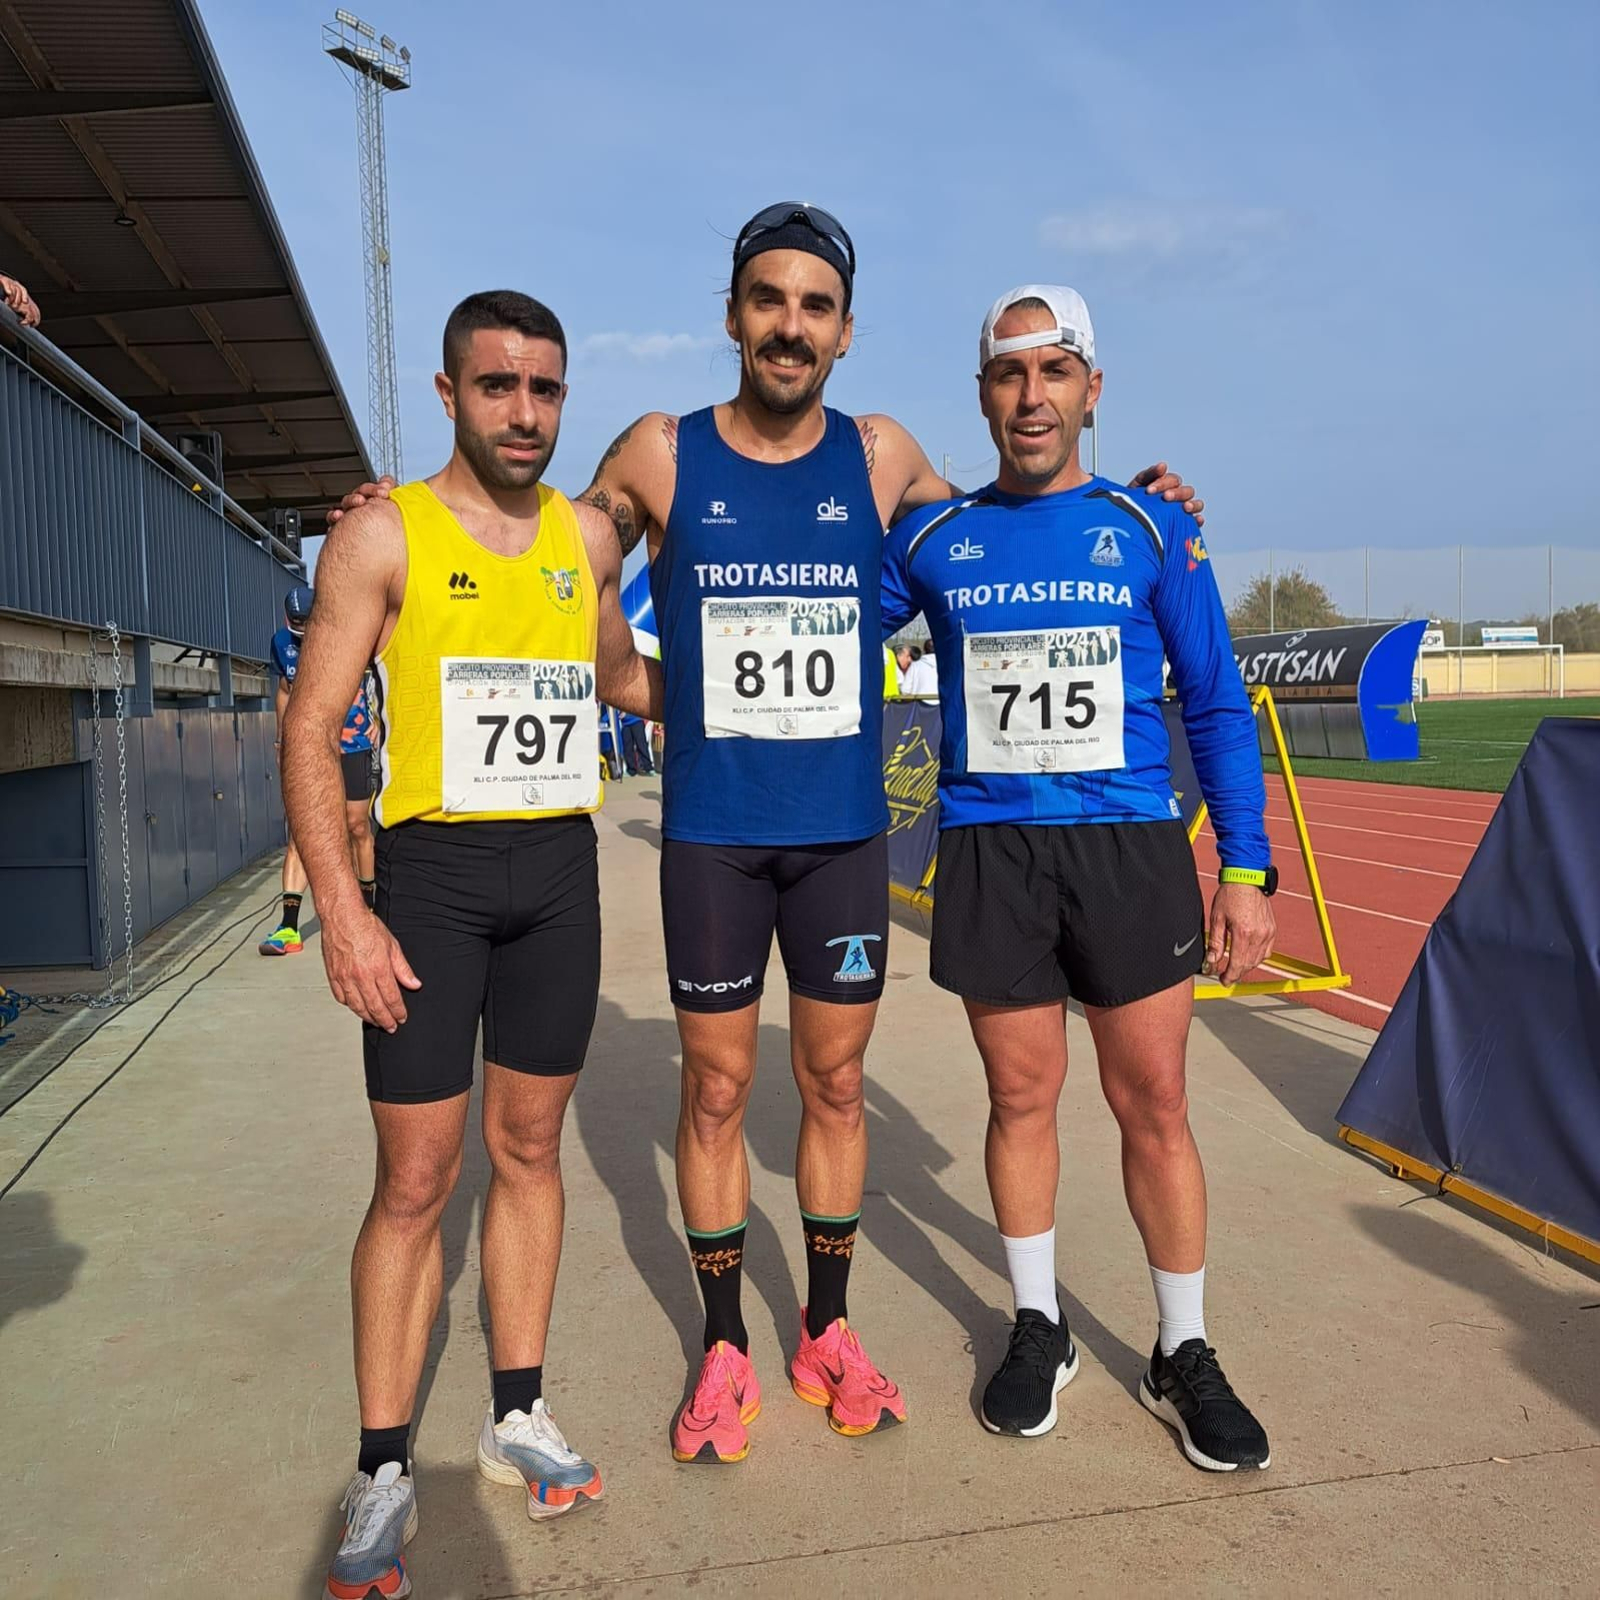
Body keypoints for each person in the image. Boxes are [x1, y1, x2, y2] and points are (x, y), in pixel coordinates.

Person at [574, 203, 1204, 1466]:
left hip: (843, 837)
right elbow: (561, 549)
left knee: (838, 1083)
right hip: (711, 832)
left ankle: (826, 1326)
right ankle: (719, 1344)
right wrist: (629, 677)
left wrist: (1135, 500)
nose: (789, 324)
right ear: (734, 313)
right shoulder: (657, 449)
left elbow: (993, 515)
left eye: (814, 305)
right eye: (767, 299)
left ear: (846, 331)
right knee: (711, 1088)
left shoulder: (880, 455)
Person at [283, 291, 659, 1599]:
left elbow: (621, 672)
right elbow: (313, 720)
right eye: (498, 386)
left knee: (532, 1151)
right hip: (434, 878)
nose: (525, 413)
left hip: (559, 873)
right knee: (416, 1179)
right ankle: (384, 1465)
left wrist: (771, 668)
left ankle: (516, 1414)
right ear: (448, 394)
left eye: (546, 390)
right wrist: (344, 910)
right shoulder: (385, 534)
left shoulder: (587, 539)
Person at [881, 285, 1276, 1470]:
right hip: (996, 852)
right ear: (983, 396)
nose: (1031, 396)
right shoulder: (934, 541)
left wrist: (1244, 869)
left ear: (1089, 390)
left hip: (1129, 847)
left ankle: (1182, 1349)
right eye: (1008, 375)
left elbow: (1211, 699)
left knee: (1153, 1101)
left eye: (1053, 373)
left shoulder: (1154, 528)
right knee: (1019, 1100)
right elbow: (817, 617)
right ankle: (1038, 1324)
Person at [259, 584, 377, 956]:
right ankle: (288, 928)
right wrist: (282, 741)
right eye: (295, 623)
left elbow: (383, 674)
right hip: (309, 748)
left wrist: (381, 719)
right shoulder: (281, 644)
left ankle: (370, 908)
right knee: (301, 833)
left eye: (307, 622)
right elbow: (284, 689)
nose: (301, 630)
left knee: (356, 826)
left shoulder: (349, 634)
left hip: (353, 740)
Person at [620, 709, 654, 775]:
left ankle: (648, 768)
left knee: (641, 745)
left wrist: (626, 713)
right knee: (627, 747)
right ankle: (631, 769)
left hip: (636, 720)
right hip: (625, 724)